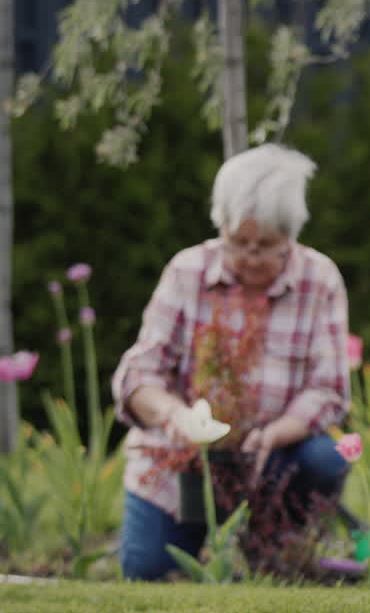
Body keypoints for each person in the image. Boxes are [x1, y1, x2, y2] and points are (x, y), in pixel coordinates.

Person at [112, 144, 351, 581]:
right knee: (147, 572)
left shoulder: (320, 281)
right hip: (181, 461)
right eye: (238, 243)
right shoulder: (187, 273)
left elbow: (329, 389)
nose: (251, 257)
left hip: (273, 460)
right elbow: (138, 375)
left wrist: (273, 435)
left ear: (291, 237)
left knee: (326, 456)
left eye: (267, 246)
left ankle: (277, 553)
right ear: (220, 227)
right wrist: (175, 415)